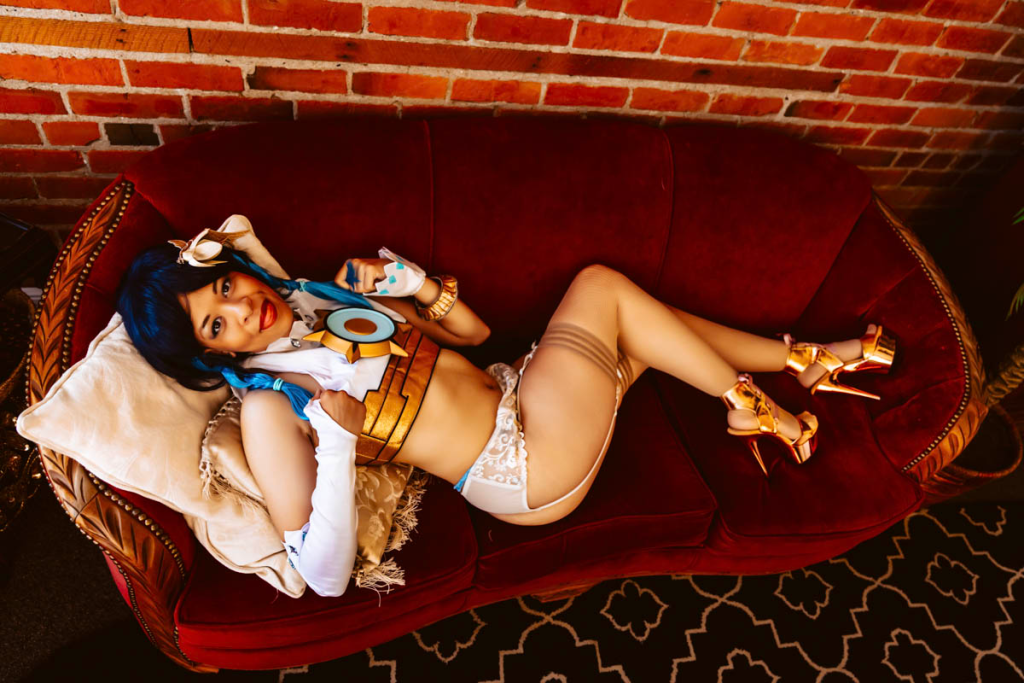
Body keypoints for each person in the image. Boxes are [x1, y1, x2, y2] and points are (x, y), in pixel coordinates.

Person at [116, 227, 896, 597]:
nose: (239, 308)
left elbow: (472, 337)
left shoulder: (320, 297)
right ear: (211, 354)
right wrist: (339, 443)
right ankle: (752, 405)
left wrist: (414, 286)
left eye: (223, 286)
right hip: (521, 467)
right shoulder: (267, 406)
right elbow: (321, 577)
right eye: (214, 323)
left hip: (523, 390)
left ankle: (807, 359)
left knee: (647, 328)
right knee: (602, 288)